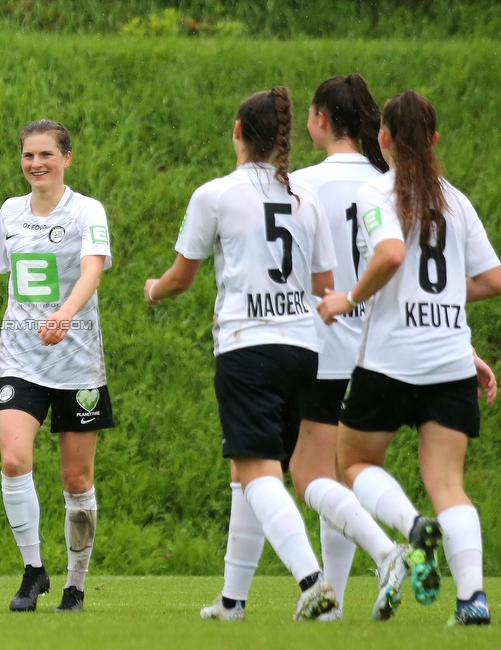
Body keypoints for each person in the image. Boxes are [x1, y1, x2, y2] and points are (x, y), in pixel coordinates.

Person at [199, 74, 408, 623]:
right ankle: (262, 598)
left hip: (310, 342)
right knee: (314, 475)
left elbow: (317, 280)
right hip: (375, 352)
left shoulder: (299, 186)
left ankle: (348, 576)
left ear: (318, 120)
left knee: (279, 473)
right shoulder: (393, 185)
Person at [145, 87, 338, 621]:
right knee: (250, 474)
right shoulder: (306, 198)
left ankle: (314, 582)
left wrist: (152, 289)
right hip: (302, 350)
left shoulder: (216, 194)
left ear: (236, 131)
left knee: (258, 473)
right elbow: (324, 283)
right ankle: (232, 602)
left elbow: (182, 277)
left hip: (247, 348)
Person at [318, 90, 501, 626]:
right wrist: (443, 299)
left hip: (390, 359)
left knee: (352, 463)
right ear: (436, 140)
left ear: (383, 139)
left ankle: (412, 527)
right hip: (449, 361)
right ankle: (472, 601)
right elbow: (495, 281)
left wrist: (348, 298)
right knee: (449, 484)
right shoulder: (457, 200)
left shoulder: (377, 191)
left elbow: (392, 253)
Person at [0, 120, 114, 614]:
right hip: (21, 360)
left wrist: (66, 314)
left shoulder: (86, 210)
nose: (36, 164)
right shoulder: (11, 211)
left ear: (67, 158)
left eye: (46, 155)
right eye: (29, 156)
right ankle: (33, 571)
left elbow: (93, 266)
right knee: (13, 460)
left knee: (76, 480)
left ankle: (75, 582)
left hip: (77, 364)